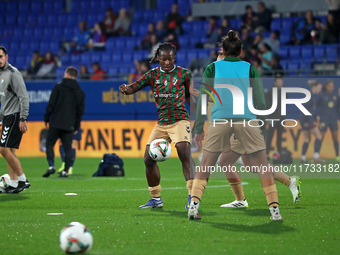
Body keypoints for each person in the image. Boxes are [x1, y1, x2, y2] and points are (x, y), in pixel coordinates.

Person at [189, 30, 282, 221]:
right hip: (246, 119)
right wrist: (261, 126)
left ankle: (194, 205)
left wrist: (199, 129)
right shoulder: (250, 68)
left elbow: (203, 100)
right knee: (263, 167)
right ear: (241, 52)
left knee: (206, 164)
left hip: (220, 119)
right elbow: (260, 102)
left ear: (223, 50)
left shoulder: (212, 68)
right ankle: (274, 210)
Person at [119, 42, 196, 209]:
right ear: (158, 59)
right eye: (163, 59)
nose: (167, 63)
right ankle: (155, 198)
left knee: (184, 151)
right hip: (162, 124)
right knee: (148, 158)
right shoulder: (152, 75)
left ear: (174, 58)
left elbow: (189, 96)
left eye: (170, 59)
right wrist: (126, 89)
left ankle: (193, 196)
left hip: (180, 120)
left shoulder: (184, 74)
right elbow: (134, 88)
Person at [42, 67, 85, 178]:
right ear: (75, 76)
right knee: (68, 148)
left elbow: (51, 104)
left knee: (50, 144)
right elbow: (80, 112)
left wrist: (47, 118)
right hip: (69, 125)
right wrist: (76, 126)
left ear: (67, 74)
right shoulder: (80, 92)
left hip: (56, 122)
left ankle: (51, 165)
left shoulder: (58, 88)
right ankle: (66, 170)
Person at [0, 46, 30, 193]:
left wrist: (23, 118)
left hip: (15, 116)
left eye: (0, 56)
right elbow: (4, 99)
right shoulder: (1, 74)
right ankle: (12, 183)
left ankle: (22, 180)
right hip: (7, 116)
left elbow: (23, 96)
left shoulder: (13, 73)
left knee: (3, 149)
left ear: (7, 57)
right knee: (10, 150)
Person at [300, 80, 323, 163]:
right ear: (314, 87)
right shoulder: (310, 97)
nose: (320, 90)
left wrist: (316, 116)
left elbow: (310, 110)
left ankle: (303, 157)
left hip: (304, 121)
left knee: (307, 139)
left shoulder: (311, 97)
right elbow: (304, 109)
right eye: (319, 88)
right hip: (308, 121)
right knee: (319, 136)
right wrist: (310, 121)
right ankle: (316, 157)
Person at [317, 80, 340, 161]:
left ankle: (337, 155)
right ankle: (316, 155)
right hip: (324, 119)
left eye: (332, 86)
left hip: (333, 119)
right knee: (321, 137)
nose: (331, 87)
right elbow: (315, 106)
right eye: (330, 86)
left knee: (335, 137)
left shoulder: (336, 96)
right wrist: (317, 116)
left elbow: (338, 108)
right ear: (326, 86)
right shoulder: (321, 96)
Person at [265, 74, 284, 159]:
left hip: (282, 118)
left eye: (281, 82)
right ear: (275, 82)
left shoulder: (284, 91)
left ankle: (279, 153)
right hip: (273, 117)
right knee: (270, 136)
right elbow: (267, 104)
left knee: (280, 137)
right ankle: (267, 153)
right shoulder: (270, 92)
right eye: (279, 82)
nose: (280, 83)